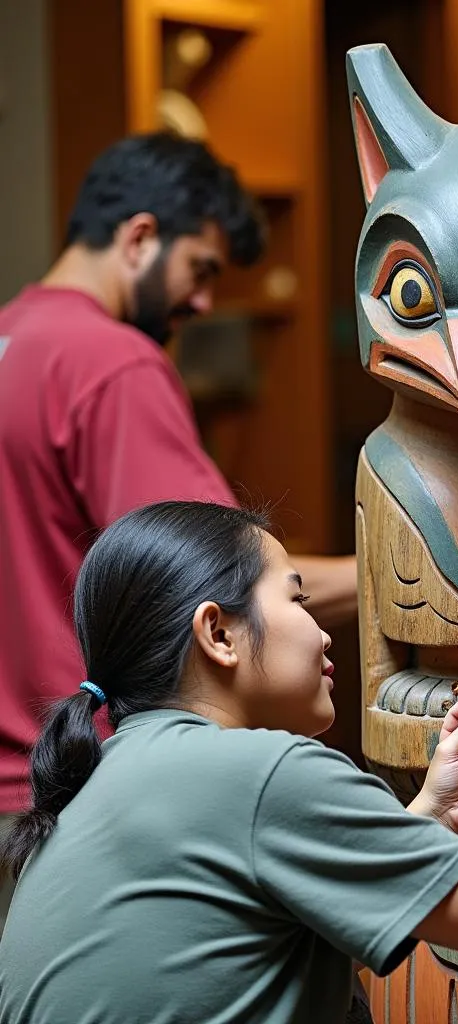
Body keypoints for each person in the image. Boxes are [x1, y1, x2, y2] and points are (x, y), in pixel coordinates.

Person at [0, 500, 458, 1022]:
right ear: (218, 632)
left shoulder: (96, 784)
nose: (324, 634)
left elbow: (238, 965)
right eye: (297, 599)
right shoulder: (259, 772)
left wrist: (434, 816)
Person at [0, 132, 358, 926]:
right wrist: (404, 574)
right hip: (75, 796)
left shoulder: (12, 339)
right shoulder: (109, 363)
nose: (203, 303)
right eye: (200, 269)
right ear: (138, 238)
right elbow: (222, 586)